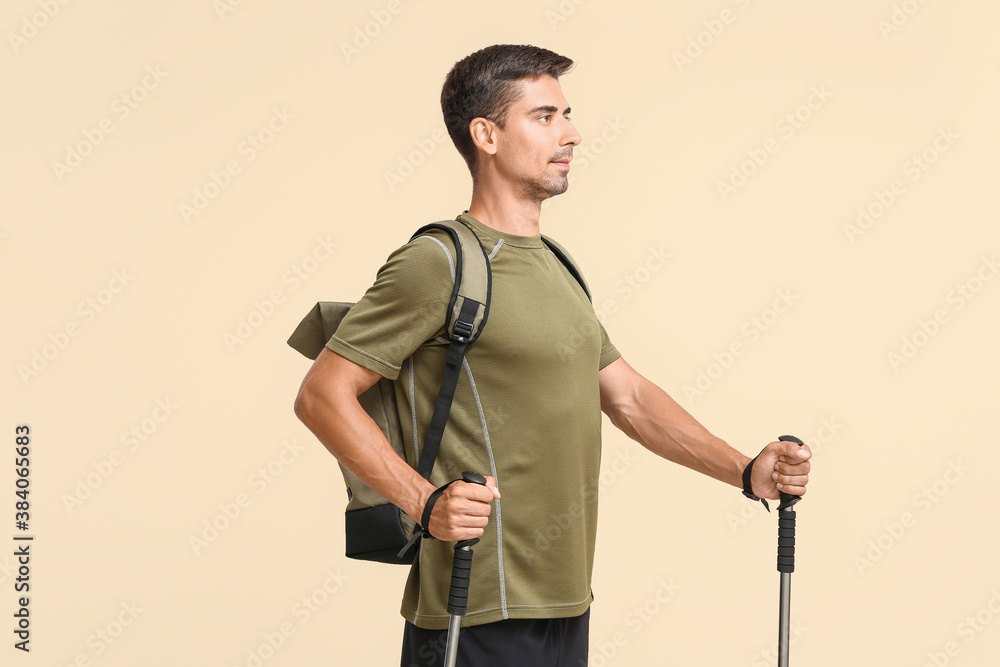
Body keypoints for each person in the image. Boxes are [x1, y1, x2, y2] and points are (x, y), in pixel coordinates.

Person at [293, 44, 812, 667]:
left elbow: (629, 398)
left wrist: (745, 470)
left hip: (565, 600)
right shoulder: (439, 261)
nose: (571, 133)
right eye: (545, 117)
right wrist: (424, 503)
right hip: (476, 600)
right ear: (485, 134)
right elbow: (322, 396)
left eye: (566, 114)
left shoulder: (558, 266)